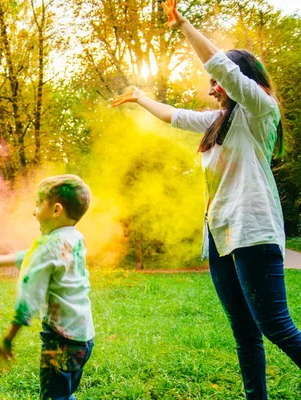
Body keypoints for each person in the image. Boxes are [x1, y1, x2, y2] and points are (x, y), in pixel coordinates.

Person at [112, 0, 301, 398]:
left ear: (239, 81)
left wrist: (183, 24)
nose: (212, 88)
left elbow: (221, 68)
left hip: (253, 231)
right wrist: (139, 97)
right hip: (220, 237)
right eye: (212, 84)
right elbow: (175, 116)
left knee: (276, 326)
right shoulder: (219, 122)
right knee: (245, 334)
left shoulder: (260, 112)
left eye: (219, 83)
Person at [0, 174, 95, 400]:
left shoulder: (48, 247)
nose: (34, 211)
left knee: (53, 397)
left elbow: (29, 296)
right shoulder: (75, 238)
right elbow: (37, 257)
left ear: (56, 210)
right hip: (84, 338)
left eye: (38, 205)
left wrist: (9, 337)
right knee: (66, 392)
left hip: (60, 341)